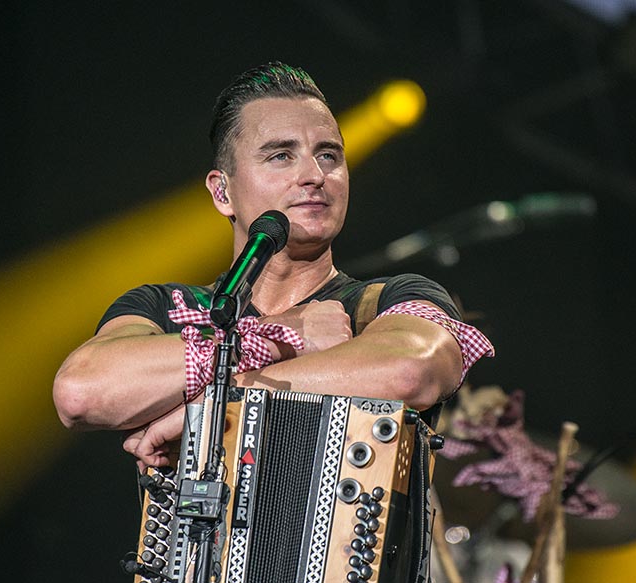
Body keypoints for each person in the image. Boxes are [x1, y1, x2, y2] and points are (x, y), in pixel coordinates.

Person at [53, 62, 493, 470]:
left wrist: (215, 409)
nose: (315, 175)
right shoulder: (165, 308)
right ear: (222, 192)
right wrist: (287, 337)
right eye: (281, 155)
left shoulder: (386, 302)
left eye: (329, 155)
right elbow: (80, 391)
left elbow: (409, 370)